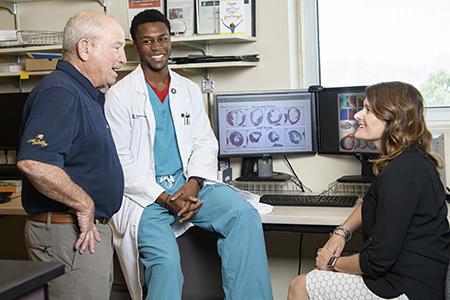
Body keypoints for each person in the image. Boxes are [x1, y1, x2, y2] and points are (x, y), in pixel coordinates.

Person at [104, 9, 273, 300]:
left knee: (243, 217)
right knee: (166, 264)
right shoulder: (119, 95)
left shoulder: (188, 89)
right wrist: (166, 198)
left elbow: (205, 143)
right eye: (147, 41)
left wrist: (191, 185)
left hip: (188, 187)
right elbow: (121, 162)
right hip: (146, 198)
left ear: (170, 40)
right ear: (136, 45)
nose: (157, 47)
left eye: (163, 39)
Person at [288, 81, 450, 300]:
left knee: (301, 285)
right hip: (411, 277)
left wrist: (332, 262)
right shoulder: (408, 161)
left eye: (368, 110)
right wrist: (340, 234)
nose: (357, 115)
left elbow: (377, 260)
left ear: (393, 119)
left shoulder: (401, 174)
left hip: (406, 289)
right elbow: (372, 202)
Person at [16, 11, 127, 300]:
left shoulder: (84, 93)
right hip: (71, 235)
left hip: (80, 235)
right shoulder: (61, 92)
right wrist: (85, 203)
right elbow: (34, 162)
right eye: (116, 47)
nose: (123, 58)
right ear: (85, 48)